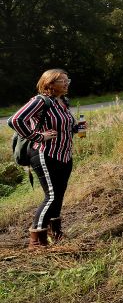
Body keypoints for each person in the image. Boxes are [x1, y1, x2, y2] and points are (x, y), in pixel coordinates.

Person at [8, 69, 82, 249]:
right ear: (49, 84)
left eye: (67, 80)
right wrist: (38, 136)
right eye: (62, 81)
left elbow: (63, 126)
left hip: (64, 155)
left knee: (59, 195)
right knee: (51, 196)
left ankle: (55, 233)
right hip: (44, 154)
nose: (66, 84)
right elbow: (15, 120)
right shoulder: (40, 101)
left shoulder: (63, 101)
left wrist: (76, 128)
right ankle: (36, 239)